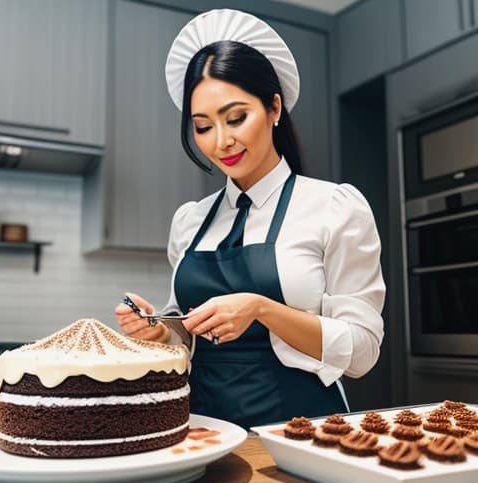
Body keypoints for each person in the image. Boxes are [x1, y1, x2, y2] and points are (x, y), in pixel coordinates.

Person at [115, 8, 386, 430]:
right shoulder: (190, 220)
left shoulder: (334, 207)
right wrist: (160, 333)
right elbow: (187, 334)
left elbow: (363, 351)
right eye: (203, 126)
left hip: (303, 431)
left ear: (274, 107)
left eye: (236, 118)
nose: (221, 141)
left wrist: (262, 309)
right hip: (202, 429)